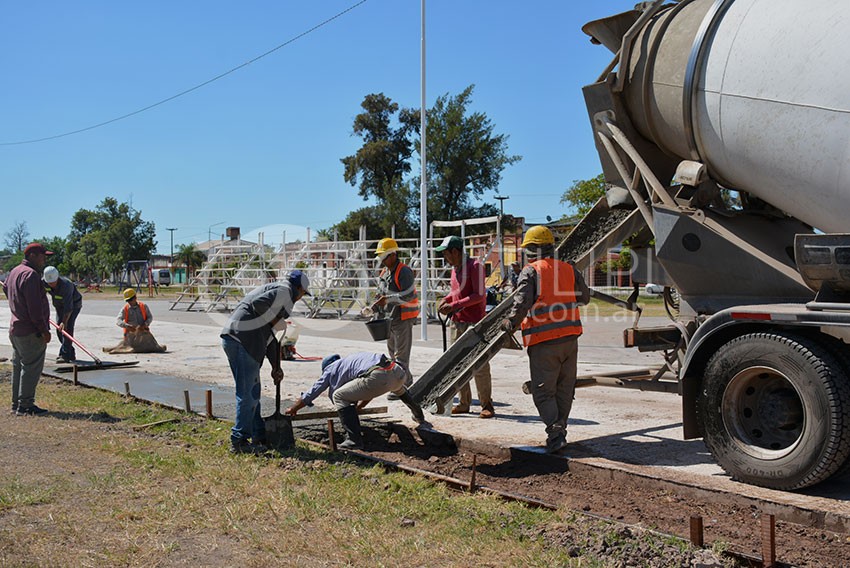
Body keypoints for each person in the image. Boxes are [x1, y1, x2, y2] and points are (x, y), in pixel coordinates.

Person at [501, 226, 590, 454]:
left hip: (544, 341)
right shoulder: (569, 268)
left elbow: (521, 304)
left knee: (543, 392)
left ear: (531, 250)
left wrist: (509, 323)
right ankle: (560, 430)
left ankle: (556, 432)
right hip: (570, 339)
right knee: (564, 388)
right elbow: (585, 297)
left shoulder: (531, 271)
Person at [221, 271, 310, 454]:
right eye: (303, 294)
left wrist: (276, 367)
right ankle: (239, 441)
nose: (301, 298)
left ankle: (258, 435)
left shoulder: (279, 295)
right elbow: (257, 304)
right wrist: (276, 320)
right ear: (299, 288)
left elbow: (270, 339)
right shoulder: (285, 291)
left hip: (237, 339)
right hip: (242, 340)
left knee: (252, 392)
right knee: (248, 395)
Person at [286, 352, 426, 449]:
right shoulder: (352, 362)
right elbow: (369, 391)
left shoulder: (330, 369)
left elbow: (312, 392)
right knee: (398, 387)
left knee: (339, 396)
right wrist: (357, 409)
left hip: (378, 376)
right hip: (398, 371)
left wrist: (294, 409)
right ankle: (419, 415)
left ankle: (354, 440)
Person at [435, 235, 495, 419]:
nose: (445, 257)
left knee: (480, 364)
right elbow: (456, 291)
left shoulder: (475, 267)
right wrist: (446, 299)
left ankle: (487, 404)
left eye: (446, 253)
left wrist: (454, 305)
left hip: (475, 322)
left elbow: (479, 295)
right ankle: (464, 402)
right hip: (457, 321)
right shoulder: (455, 270)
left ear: (455, 251)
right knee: (457, 363)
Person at [6, 243, 53, 415]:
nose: (44, 259)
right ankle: (25, 405)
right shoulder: (31, 275)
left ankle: (16, 403)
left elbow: (6, 289)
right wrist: (43, 330)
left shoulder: (14, 272)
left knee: (19, 367)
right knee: (31, 367)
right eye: (42, 256)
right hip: (30, 331)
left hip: (16, 329)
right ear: (32, 256)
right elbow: (35, 308)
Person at [372, 237, 419, 379]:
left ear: (393, 255)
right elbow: (380, 293)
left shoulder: (404, 272)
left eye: (384, 256)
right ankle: (405, 380)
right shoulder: (384, 272)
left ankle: (402, 385)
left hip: (403, 319)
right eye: (380, 256)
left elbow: (408, 295)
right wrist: (373, 308)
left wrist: (387, 299)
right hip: (389, 319)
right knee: (393, 354)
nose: (382, 260)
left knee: (401, 356)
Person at [104, 288, 167, 353]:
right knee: (128, 347)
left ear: (135, 297)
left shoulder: (143, 306)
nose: (129, 302)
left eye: (131, 300)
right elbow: (118, 321)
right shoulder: (125, 309)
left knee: (156, 348)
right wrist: (127, 326)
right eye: (128, 300)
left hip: (143, 334)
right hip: (131, 336)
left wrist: (145, 324)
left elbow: (150, 317)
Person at [42, 266, 83, 363]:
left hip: (73, 305)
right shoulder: (44, 282)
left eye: (53, 282)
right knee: (59, 330)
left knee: (66, 328)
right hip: (59, 306)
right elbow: (40, 295)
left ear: (57, 278)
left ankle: (64, 355)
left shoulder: (66, 285)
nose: (51, 285)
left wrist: (64, 322)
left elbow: (69, 308)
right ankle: (70, 353)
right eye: (49, 283)